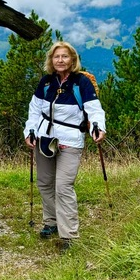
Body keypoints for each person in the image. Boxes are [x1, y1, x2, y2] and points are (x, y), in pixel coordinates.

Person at [23, 41, 106, 252]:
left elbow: (94, 110)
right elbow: (34, 110)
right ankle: (50, 222)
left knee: (63, 186)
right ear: (51, 60)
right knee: (44, 183)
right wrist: (29, 131)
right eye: (56, 56)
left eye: (65, 56)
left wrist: (97, 127)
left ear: (73, 60)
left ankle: (68, 234)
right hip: (44, 138)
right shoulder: (46, 83)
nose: (60, 60)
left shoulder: (81, 83)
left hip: (70, 140)